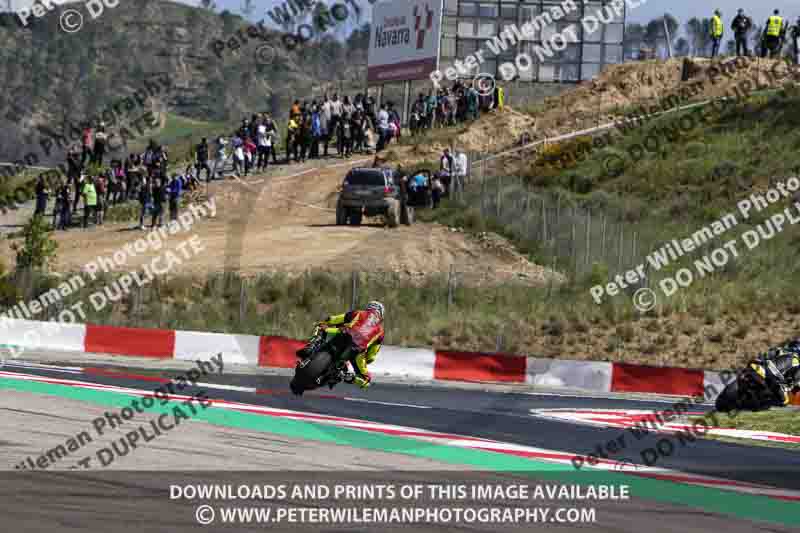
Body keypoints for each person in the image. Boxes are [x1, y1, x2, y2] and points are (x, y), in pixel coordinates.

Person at [295, 301, 385, 392]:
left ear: (368, 308)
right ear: (381, 314)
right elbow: (372, 355)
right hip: (358, 349)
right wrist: (367, 359)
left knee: (320, 326)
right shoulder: (381, 331)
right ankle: (350, 377)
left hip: (344, 334)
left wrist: (326, 322)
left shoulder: (359, 313)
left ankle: (311, 345)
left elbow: (335, 319)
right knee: (366, 380)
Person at [743, 339, 800, 409]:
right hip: (775, 377)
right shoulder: (796, 361)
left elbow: (767, 354)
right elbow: (794, 382)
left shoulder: (782, 350)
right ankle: (767, 405)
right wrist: (792, 386)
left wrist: (761, 361)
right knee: (784, 401)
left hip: (764, 367)